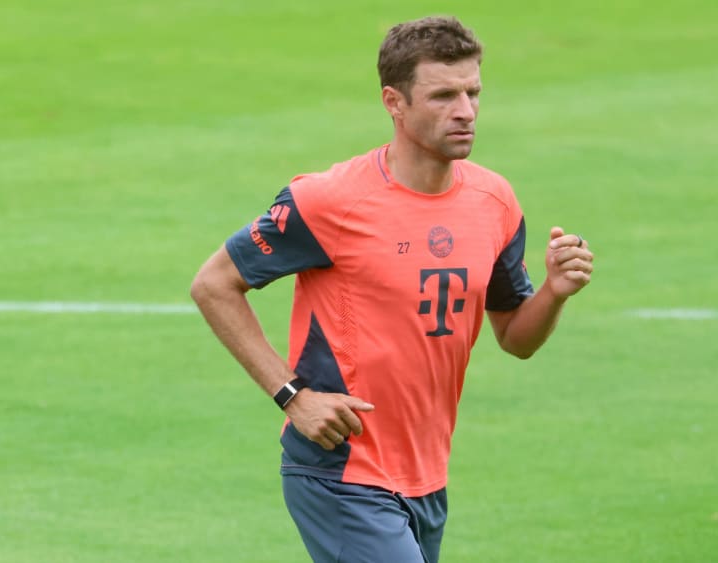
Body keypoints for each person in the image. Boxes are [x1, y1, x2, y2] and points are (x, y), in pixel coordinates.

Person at [190, 15, 593, 563]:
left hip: (426, 478)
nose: (466, 111)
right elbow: (214, 284)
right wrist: (293, 397)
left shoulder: (494, 202)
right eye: (443, 96)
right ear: (394, 102)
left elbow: (516, 338)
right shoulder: (331, 200)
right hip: (340, 473)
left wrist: (554, 292)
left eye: (473, 92)